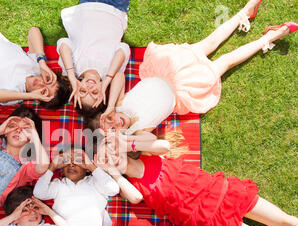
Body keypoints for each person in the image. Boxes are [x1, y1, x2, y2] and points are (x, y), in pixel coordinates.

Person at [91, 0, 297, 135]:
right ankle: (270, 37)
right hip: (185, 89)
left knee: (209, 43)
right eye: (111, 131)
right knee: (225, 61)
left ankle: (245, 11)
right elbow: (157, 145)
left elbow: (118, 77)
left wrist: (110, 107)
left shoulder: (119, 104)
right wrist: (124, 142)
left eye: (107, 122)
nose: (114, 125)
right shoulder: (138, 132)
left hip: (166, 69)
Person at [95, 136, 298, 226]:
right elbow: (136, 198)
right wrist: (113, 171)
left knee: (287, 223)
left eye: (109, 149)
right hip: (211, 222)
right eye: (105, 158)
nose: (111, 156)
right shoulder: (129, 186)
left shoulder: (149, 154)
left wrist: (124, 143)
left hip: (226, 194)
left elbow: (163, 145)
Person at [57, 0, 131, 117]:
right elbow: (124, 48)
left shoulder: (72, 69)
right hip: (114, 9)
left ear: (76, 88)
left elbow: (63, 42)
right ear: (102, 91)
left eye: (82, 91)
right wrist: (107, 81)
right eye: (95, 92)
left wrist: (71, 76)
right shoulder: (109, 72)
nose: (89, 87)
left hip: (87, 5)